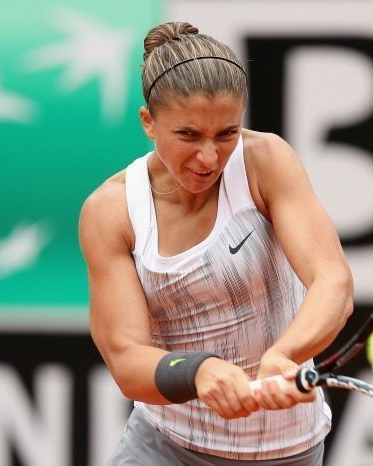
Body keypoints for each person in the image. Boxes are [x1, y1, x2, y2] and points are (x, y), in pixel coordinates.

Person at [79, 21, 353, 466]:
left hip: (286, 453)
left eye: (226, 133)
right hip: (162, 448)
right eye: (188, 135)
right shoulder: (110, 211)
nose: (209, 158)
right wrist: (197, 370)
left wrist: (285, 353)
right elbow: (125, 358)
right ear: (149, 122)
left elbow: (332, 281)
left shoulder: (265, 161)